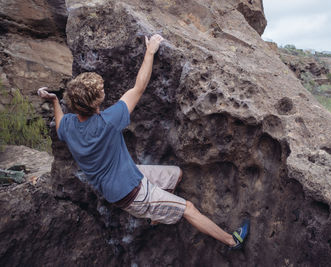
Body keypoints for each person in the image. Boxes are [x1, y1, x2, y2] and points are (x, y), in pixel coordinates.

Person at [38, 34, 249, 249]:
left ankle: (157, 216)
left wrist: (55, 100)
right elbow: (139, 87)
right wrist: (150, 51)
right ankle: (231, 241)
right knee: (189, 208)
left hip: (125, 177)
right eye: (101, 91)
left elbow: (60, 123)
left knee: (176, 174)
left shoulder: (69, 127)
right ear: (94, 103)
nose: (104, 90)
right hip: (133, 192)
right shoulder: (107, 122)